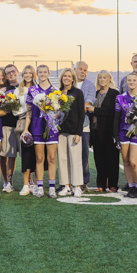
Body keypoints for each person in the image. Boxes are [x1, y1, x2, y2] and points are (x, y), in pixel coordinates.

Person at [23, 64, 58, 198]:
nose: (42, 74)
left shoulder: (55, 91)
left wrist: (55, 114)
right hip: (37, 127)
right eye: (40, 72)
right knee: (39, 158)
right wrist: (26, 129)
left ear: (48, 73)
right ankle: (40, 187)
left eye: (45, 72)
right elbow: (29, 112)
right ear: (37, 74)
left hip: (51, 128)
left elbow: (59, 112)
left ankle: (52, 188)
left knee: (52, 158)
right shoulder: (32, 90)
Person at [87, 71, 119, 192]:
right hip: (95, 131)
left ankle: (113, 185)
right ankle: (101, 184)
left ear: (109, 79)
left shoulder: (114, 93)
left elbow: (111, 111)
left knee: (111, 159)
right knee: (99, 159)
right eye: (100, 77)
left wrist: (95, 110)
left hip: (109, 131)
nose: (102, 79)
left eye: (104, 77)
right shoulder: (95, 93)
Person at [56, 68, 86, 197]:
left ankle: (77, 186)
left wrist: (79, 133)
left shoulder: (78, 93)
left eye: (69, 76)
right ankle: (66, 185)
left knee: (75, 159)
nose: (66, 78)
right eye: (64, 76)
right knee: (62, 159)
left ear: (73, 78)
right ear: (62, 78)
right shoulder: (56, 93)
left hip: (74, 131)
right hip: (60, 131)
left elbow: (81, 114)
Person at [115, 73, 137, 195]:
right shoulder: (120, 97)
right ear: (126, 82)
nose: (131, 82)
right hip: (123, 131)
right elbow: (116, 117)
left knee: (134, 161)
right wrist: (115, 134)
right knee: (126, 161)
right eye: (129, 80)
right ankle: (131, 186)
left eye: (134, 80)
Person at [0, 65, 22, 192]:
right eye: (8, 73)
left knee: (25, 155)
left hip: (23, 125)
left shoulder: (24, 88)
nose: (11, 74)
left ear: (18, 72)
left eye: (13, 71)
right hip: (7, 124)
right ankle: (8, 182)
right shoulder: (3, 90)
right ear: (6, 76)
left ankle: (28, 182)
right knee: (8, 155)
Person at [75, 61, 97, 189]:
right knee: (69, 155)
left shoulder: (90, 85)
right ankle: (68, 181)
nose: (83, 71)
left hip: (84, 125)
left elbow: (88, 104)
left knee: (84, 155)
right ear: (75, 69)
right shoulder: (69, 83)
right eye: (80, 69)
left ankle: (84, 181)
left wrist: (73, 111)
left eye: (85, 70)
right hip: (69, 126)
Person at [15, 65, 36, 194]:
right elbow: (14, 109)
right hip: (24, 123)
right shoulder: (19, 90)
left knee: (36, 154)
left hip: (38, 123)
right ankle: (26, 184)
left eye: (30, 73)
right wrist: (26, 110)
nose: (28, 75)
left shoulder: (38, 88)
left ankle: (33, 182)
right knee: (25, 153)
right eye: (25, 73)